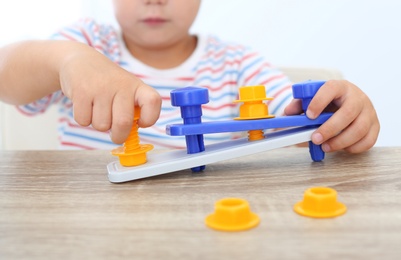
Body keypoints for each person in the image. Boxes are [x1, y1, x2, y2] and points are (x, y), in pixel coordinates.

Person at [0, 0, 379, 153]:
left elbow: (292, 113)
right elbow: (6, 77)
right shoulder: (88, 43)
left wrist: (331, 111)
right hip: (89, 219)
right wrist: (67, 60)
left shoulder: (235, 61)